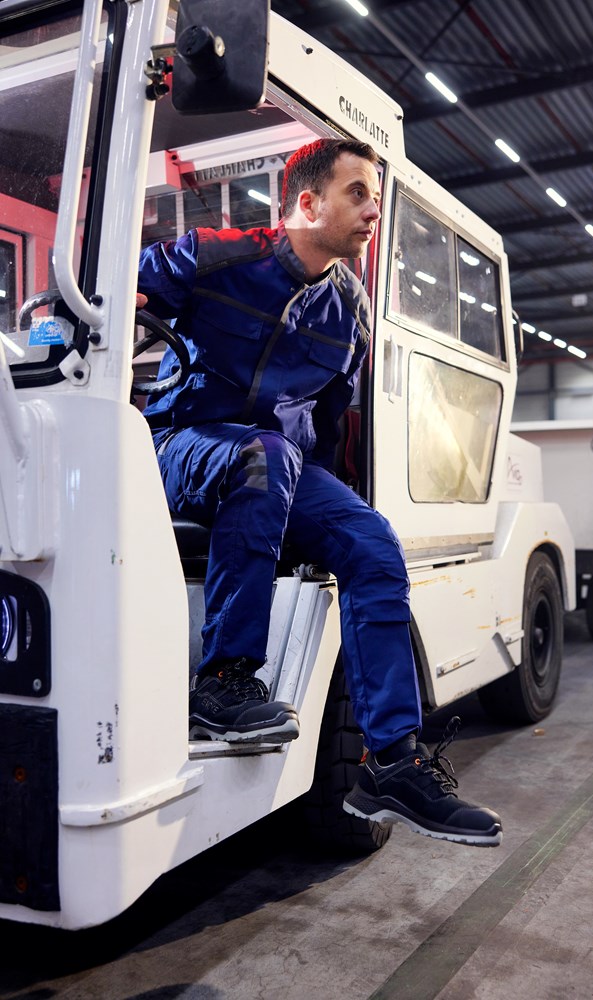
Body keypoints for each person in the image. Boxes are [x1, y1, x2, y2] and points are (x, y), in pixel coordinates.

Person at [137, 138, 502, 847]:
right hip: (182, 446)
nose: (373, 212)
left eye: (375, 198)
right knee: (264, 455)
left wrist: (326, 515)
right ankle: (224, 680)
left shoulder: (348, 310)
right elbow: (102, 300)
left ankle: (392, 763)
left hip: (273, 468)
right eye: (357, 194)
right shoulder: (213, 257)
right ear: (307, 202)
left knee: (370, 541)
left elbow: (331, 427)